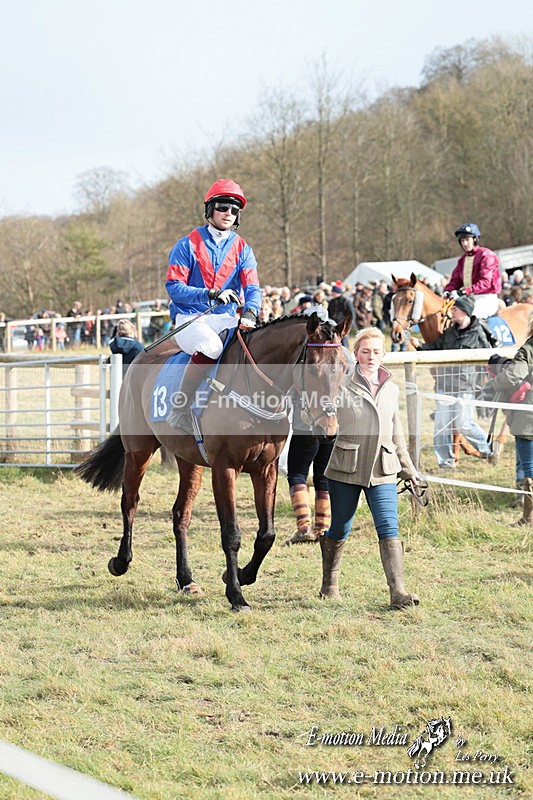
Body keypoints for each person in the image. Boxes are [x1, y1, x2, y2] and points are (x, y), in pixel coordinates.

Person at [319, 327, 420, 609]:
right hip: (345, 466)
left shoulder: (391, 386)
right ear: (356, 354)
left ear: (384, 354)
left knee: (389, 526)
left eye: (376, 351)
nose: (371, 356)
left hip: (383, 467)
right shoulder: (340, 382)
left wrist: (408, 469)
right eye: (365, 351)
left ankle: (398, 591)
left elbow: (395, 429)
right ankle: (329, 584)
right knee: (340, 527)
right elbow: (321, 415)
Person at [165, 179, 261, 432]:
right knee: (210, 346)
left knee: (256, 347)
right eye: (222, 207)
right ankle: (180, 407)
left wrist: (251, 310)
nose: (228, 213)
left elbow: (252, 286)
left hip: (226, 319)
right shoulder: (187, 244)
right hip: (190, 320)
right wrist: (209, 294)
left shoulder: (243, 248)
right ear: (210, 209)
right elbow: (174, 287)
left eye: (233, 209)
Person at [411, 294, 494, 468]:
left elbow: (488, 358)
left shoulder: (478, 334)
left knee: (464, 423)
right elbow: (435, 349)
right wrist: (419, 345)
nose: (451, 312)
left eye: (455, 309)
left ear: (465, 312)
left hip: (466, 386)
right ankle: (446, 463)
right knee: (441, 426)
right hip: (445, 385)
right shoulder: (449, 332)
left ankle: (487, 449)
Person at [483, 311, 533, 525]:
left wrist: (491, 385)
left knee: (530, 468)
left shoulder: (530, 348)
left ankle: (529, 517)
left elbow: (514, 374)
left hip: (529, 417)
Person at [444, 223, 502, 319]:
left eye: (467, 240)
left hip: (486, 298)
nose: (465, 243)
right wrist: (447, 290)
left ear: (475, 239)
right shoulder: (462, 260)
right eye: (462, 241)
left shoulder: (486, 255)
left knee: (468, 317)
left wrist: (463, 291)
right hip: (469, 298)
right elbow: (456, 280)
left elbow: (486, 282)